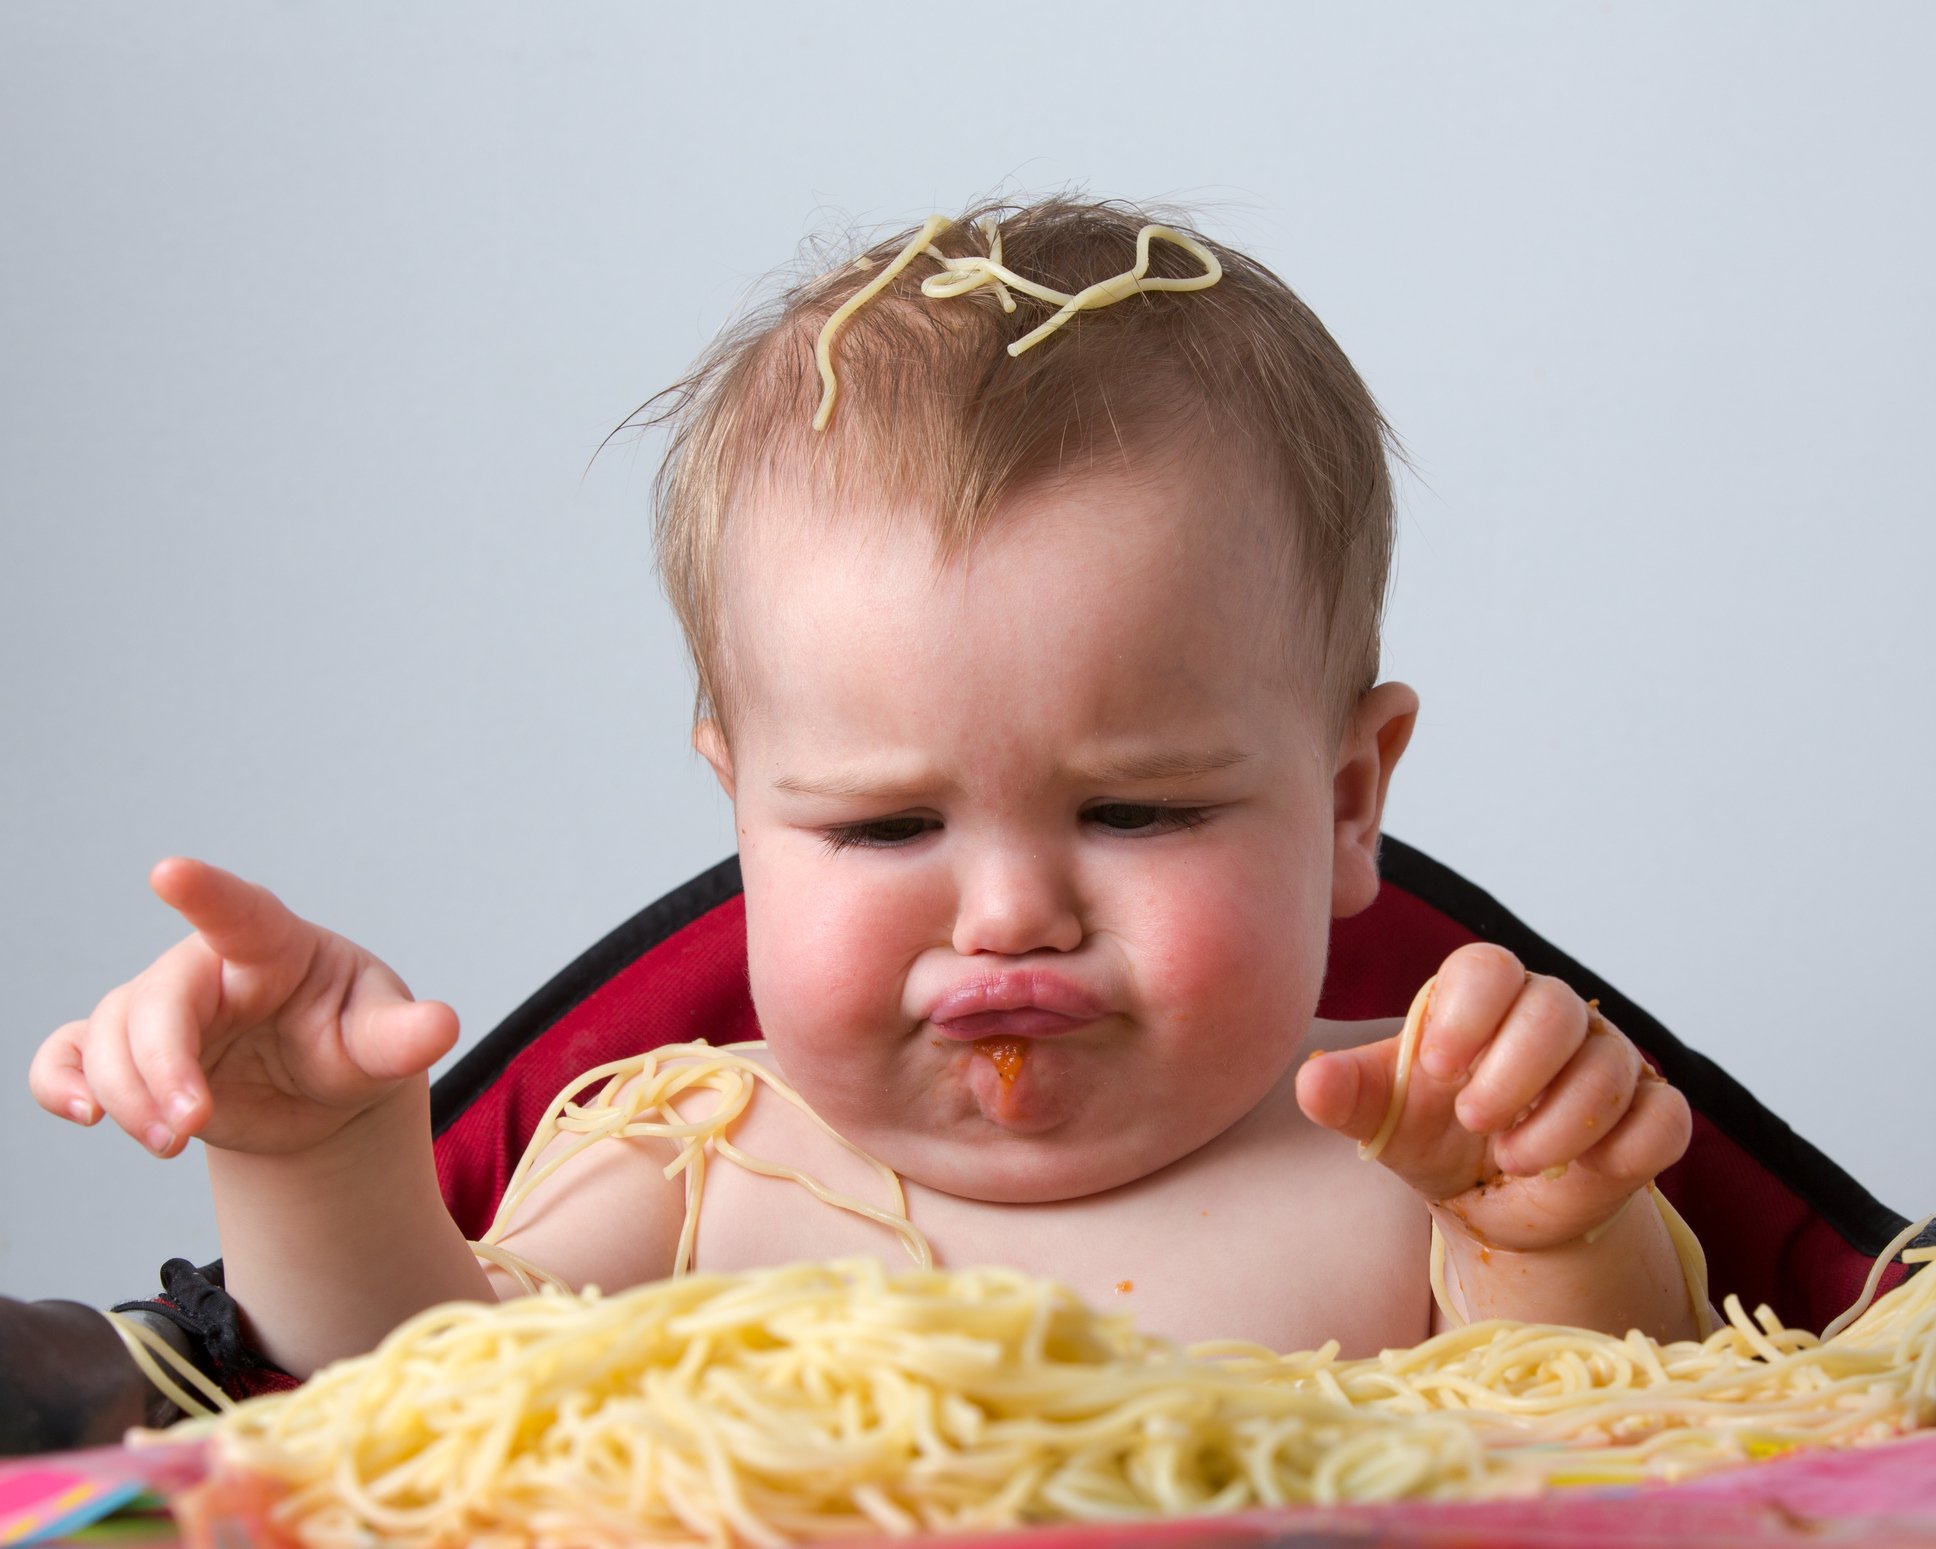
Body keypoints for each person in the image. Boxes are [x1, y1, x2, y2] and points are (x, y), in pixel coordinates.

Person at [29, 195, 1699, 1381]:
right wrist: (319, 1160)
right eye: (886, 824)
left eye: (1136, 811)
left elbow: (1682, 1442)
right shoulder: (698, 1163)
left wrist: (1548, 1234)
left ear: (1348, 804)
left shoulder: (1415, 1163)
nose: (1005, 910)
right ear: (747, 819)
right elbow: (412, 1405)